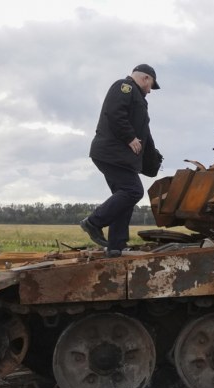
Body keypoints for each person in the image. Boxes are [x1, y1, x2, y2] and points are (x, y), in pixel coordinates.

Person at [80, 64, 160, 256]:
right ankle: (93, 222)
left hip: (121, 158)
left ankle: (116, 246)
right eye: (151, 86)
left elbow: (145, 134)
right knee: (133, 191)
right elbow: (115, 112)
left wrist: (153, 157)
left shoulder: (138, 99)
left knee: (124, 197)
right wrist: (129, 137)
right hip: (112, 154)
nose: (150, 90)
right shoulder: (124, 87)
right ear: (145, 79)